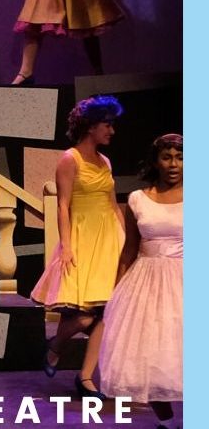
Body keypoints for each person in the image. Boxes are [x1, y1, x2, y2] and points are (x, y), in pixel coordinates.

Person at [31, 95, 125, 399]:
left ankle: (85, 377)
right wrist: (67, 246)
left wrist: (125, 240)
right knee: (83, 315)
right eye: (107, 124)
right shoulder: (70, 159)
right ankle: (56, 345)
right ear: (91, 126)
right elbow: (63, 206)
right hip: (83, 237)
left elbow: (113, 205)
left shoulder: (105, 162)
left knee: (106, 313)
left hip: (108, 239)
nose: (111, 131)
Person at [100, 134, 182, 427]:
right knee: (151, 356)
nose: (173, 164)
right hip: (147, 282)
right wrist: (116, 291)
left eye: (180, 158)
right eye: (167, 157)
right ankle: (169, 422)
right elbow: (129, 250)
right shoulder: (137, 199)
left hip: (185, 279)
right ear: (156, 161)